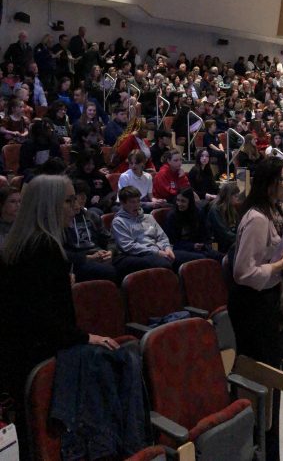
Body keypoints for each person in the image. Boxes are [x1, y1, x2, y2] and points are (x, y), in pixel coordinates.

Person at [0, 175, 118, 456]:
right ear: (48, 205)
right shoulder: (46, 249)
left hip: (18, 358)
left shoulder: (22, 244)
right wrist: (87, 337)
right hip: (38, 357)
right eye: (67, 200)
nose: (74, 207)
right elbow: (48, 321)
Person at [225, 157, 283, 461]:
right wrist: (279, 265)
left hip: (265, 302)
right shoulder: (257, 218)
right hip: (252, 306)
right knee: (260, 381)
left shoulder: (273, 212)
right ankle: (257, 447)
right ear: (269, 183)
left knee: (271, 381)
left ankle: (268, 445)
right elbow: (243, 272)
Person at [112, 186, 204, 275]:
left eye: (138, 201)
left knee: (198, 259)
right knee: (164, 264)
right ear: (123, 203)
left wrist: (167, 248)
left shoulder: (148, 217)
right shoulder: (119, 222)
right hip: (137, 255)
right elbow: (129, 247)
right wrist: (156, 252)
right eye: (132, 202)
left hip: (160, 250)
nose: (136, 205)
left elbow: (162, 236)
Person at [66, 179, 118, 283]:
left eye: (84, 195)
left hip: (99, 254)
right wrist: (89, 257)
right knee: (108, 271)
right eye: (79, 195)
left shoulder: (91, 216)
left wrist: (110, 252)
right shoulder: (65, 219)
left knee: (123, 263)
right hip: (81, 259)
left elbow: (109, 239)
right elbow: (65, 252)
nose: (84, 198)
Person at [164, 188, 222, 260]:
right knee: (203, 257)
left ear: (190, 202)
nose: (179, 204)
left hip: (198, 246)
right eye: (178, 200)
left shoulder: (198, 213)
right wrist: (192, 246)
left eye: (183, 201)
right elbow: (171, 242)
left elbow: (205, 233)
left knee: (217, 255)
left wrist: (206, 245)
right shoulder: (172, 216)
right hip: (180, 248)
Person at [208, 181, 242, 252]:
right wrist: (241, 240)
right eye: (235, 196)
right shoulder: (215, 210)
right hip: (216, 245)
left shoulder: (232, 209)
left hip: (228, 243)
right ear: (228, 196)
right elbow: (223, 233)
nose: (237, 199)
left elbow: (239, 227)